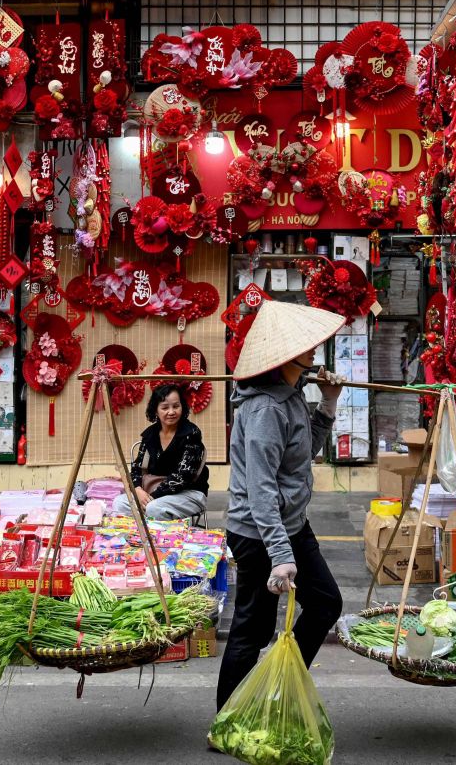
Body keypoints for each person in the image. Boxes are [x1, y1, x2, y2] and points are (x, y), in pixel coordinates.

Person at [216, 301, 346, 710]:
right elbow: (260, 491)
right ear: (282, 357)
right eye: (303, 346)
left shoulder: (290, 398)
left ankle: (277, 685)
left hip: (290, 524)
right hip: (258, 533)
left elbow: (305, 453)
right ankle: (228, 718)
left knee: (325, 602)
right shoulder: (265, 409)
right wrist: (279, 555)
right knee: (251, 630)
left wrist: (328, 403)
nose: (313, 351)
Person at [113, 383, 209, 521]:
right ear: (156, 411)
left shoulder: (191, 433)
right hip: (151, 492)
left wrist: (152, 497)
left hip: (188, 493)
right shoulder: (150, 435)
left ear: (182, 407)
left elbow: (183, 476)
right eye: (165, 407)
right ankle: (136, 540)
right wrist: (138, 491)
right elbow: (136, 469)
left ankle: (160, 541)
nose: (171, 412)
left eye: (176, 406)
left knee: (154, 508)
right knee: (120, 503)